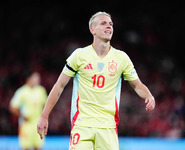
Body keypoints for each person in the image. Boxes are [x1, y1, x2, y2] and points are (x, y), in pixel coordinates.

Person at [37, 11, 156, 150]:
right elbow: (60, 86)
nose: (109, 26)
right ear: (92, 29)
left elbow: (137, 85)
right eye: (103, 23)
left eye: (111, 24)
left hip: (108, 127)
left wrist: (148, 95)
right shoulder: (79, 55)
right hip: (82, 125)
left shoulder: (121, 58)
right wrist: (44, 115)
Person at [10, 70, 47, 150]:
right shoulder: (21, 92)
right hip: (26, 125)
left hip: (38, 124)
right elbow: (12, 107)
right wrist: (22, 116)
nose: (38, 79)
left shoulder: (41, 91)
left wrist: (45, 118)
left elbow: (45, 106)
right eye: (36, 77)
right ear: (29, 78)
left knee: (38, 147)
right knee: (26, 147)